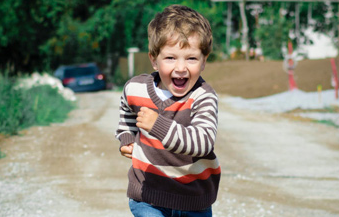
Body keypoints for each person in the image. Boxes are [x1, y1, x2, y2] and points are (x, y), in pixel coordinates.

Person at [115, 4, 220, 217]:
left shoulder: (203, 97)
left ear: (203, 62)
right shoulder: (135, 88)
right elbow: (126, 109)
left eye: (191, 58)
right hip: (148, 197)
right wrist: (126, 136)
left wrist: (158, 125)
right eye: (170, 58)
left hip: (193, 199)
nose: (180, 68)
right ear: (154, 59)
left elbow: (203, 142)